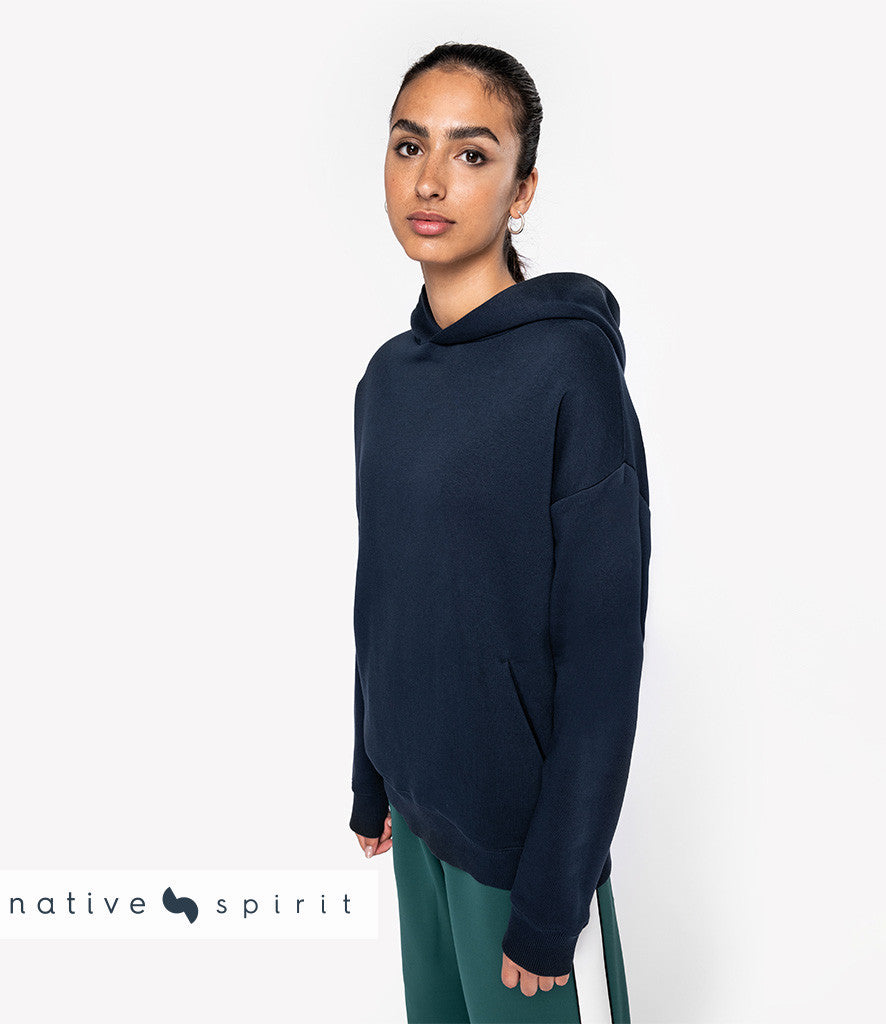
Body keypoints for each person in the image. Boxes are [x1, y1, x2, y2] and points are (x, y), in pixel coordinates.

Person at [349, 42, 650, 1024]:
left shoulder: (569, 372)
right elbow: (385, 588)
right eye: (409, 146)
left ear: (522, 191)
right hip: (418, 816)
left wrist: (553, 896)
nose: (430, 180)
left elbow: (602, 659)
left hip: (520, 854)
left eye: (471, 154)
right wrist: (369, 775)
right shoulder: (385, 381)